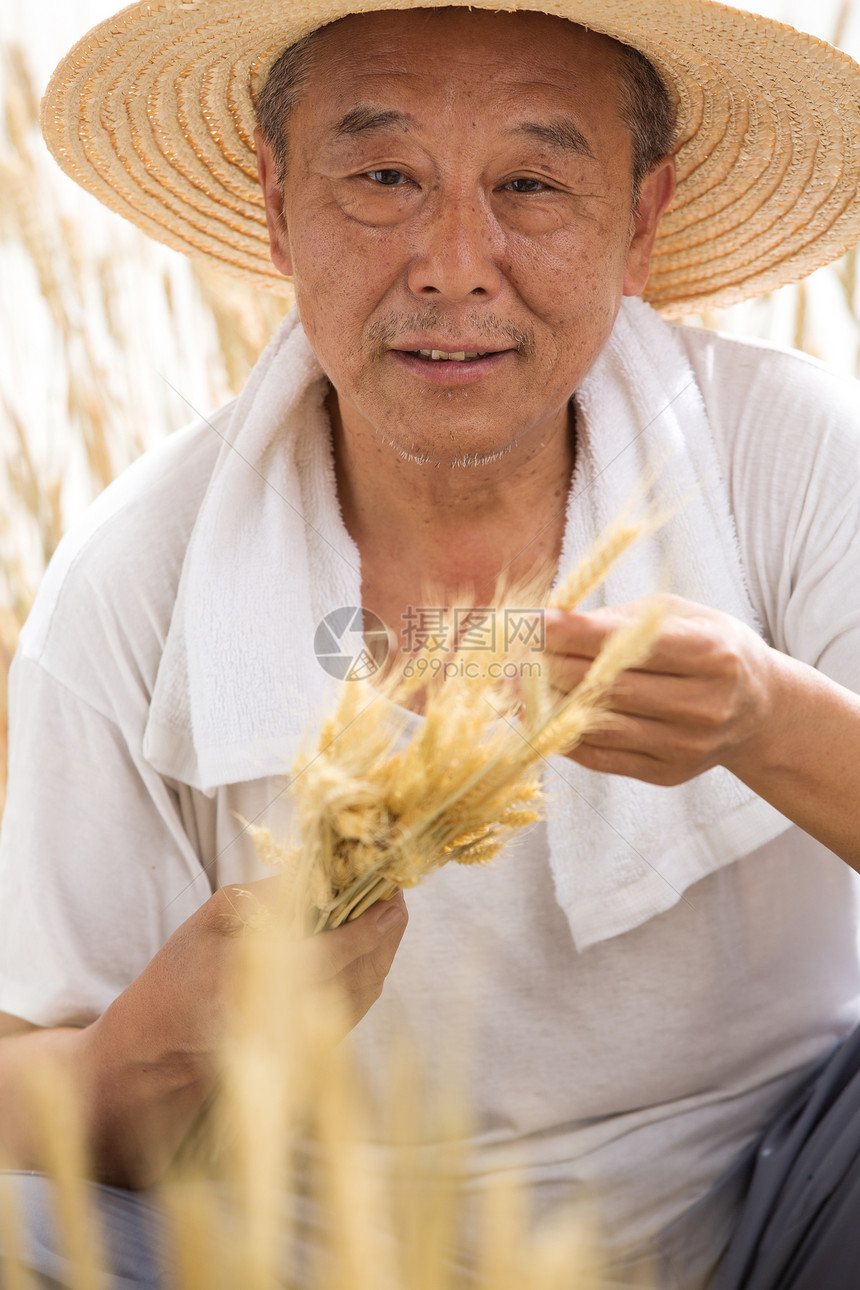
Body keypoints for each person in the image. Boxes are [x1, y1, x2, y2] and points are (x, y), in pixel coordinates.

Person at [2, 1, 860, 1286]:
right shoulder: (135, 578)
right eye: (382, 177)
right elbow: (37, 1102)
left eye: (531, 182)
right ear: (277, 200)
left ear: (639, 219)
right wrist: (160, 1039)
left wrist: (770, 720)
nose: (454, 262)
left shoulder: (790, 461)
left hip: (773, 1222)